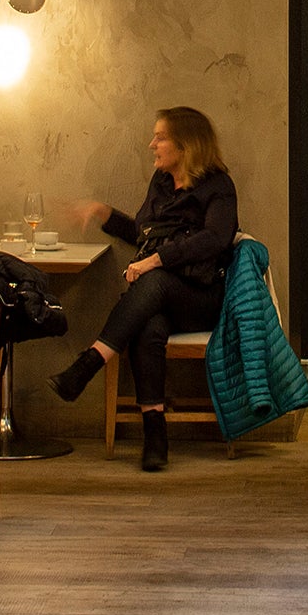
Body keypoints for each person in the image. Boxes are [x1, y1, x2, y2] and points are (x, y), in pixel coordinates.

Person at [48, 106, 237, 471]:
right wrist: (104, 213)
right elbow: (144, 234)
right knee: (147, 327)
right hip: (158, 296)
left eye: (160, 137)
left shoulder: (218, 186)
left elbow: (214, 239)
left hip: (203, 296)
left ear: (186, 145)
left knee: (157, 279)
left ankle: (89, 363)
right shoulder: (162, 184)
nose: (152, 144)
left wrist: (155, 261)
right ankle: (155, 434)